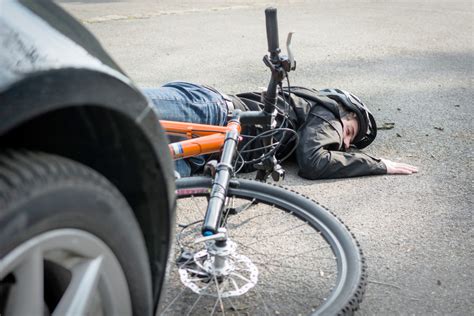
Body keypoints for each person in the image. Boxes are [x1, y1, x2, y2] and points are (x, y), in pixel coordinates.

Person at [143, 81, 418, 179]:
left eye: (350, 143)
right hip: (211, 112)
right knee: (114, 103)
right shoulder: (326, 110)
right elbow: (315, 161)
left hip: (202, 156)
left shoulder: (301, 127)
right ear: (342, 110)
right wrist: (377, 164)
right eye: (349, 132)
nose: (345, 145)